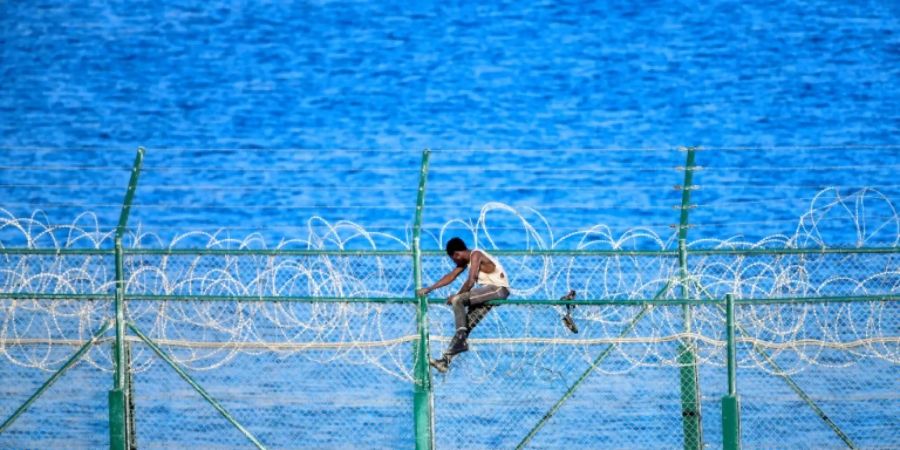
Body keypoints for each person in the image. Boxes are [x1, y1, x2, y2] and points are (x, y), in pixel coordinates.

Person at [416, 237, 510, 373]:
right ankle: (445, 361)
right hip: (488, 292)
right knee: (465, 326)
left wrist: (457, 296)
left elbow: (470, 282)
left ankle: (461, 340)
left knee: (458, 301)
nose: (454, 262)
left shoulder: (476, 255)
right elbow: (451, 275)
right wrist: (430, 288)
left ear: (456, 254)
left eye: (453, 259)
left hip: (498, 289)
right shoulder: (467, 260)